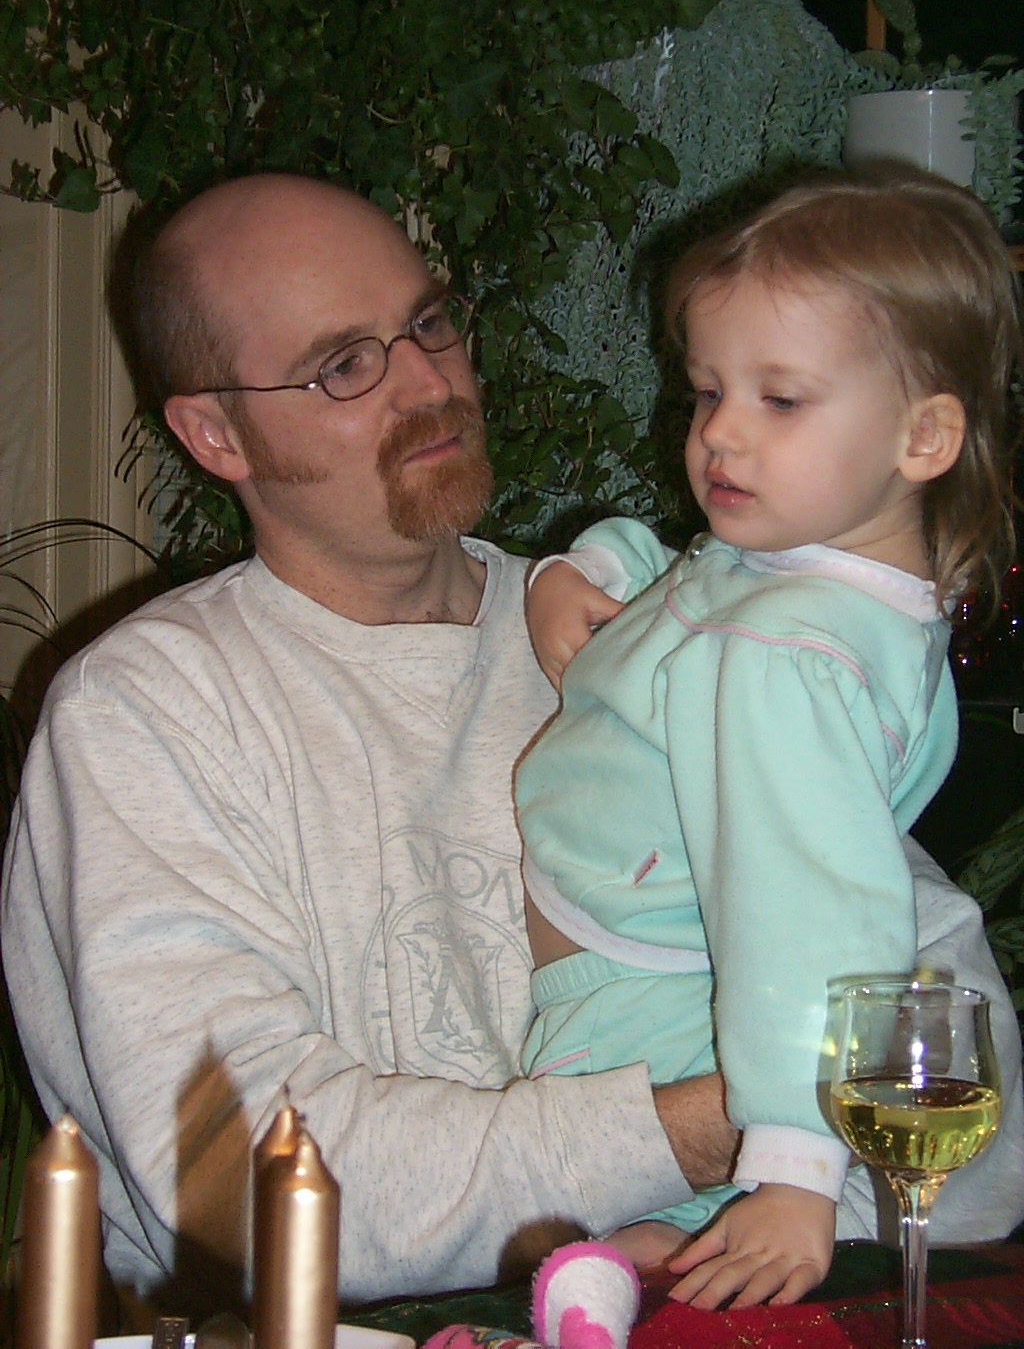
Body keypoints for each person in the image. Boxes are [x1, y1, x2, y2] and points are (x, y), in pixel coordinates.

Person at [0, 174, 1020, 1318]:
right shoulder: (145, 715)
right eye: (345, 365)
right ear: (213, 434)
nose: (429, 384)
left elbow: (958, 1103)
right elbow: (243, 1192)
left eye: (430, 323)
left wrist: (793, 1160)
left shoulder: (661, 639)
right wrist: (742, 1117)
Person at [516, 166, 1024, 1309]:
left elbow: (807, 908)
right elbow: (694, 582)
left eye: (780, 400)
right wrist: (578, 569)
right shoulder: (814, 576)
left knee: (635, 1229)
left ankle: (606, 1303)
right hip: (655, 962)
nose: (719, 435)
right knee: (653, 1239)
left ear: (923, 435)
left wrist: (796, 1160)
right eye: (708, 391)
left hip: (644, 996)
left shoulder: (786, 661)